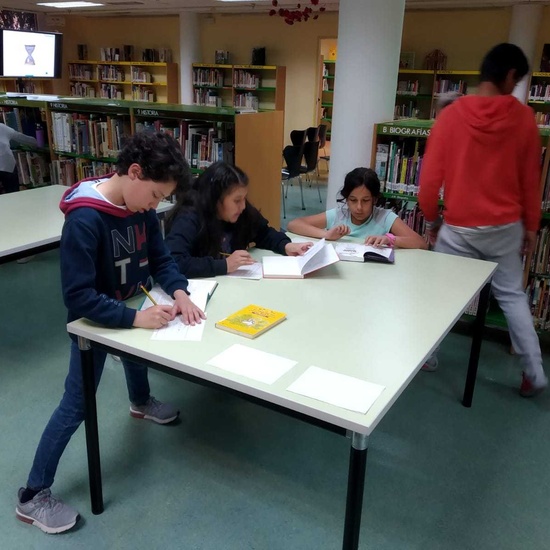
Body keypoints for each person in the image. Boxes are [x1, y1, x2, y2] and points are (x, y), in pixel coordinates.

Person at [16, 132, 206, 534]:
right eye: (155, 195)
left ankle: (140, 401)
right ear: (134, 173)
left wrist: (180, 292)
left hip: (129, 304)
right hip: (92, 323)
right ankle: (33, 495)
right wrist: (134, 319)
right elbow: (78, 296)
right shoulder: (85, 220)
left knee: (136, 353)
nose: (156, 205)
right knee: (77, 403)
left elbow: (161, 258)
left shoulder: (141, 209)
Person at [418, 43, 548, 397]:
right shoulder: (523, 119)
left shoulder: (451, 116)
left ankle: (427, 357)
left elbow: (429, 183)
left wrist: (431, 221)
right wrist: (532, 227)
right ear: (509, 76)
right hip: (505, 228)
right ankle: (534, 372)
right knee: (511, 297)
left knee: (440, 295)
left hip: (458, 227)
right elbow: (529, 182)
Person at [165, 161, 312, 278]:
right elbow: (174, 261)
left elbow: (263, 232)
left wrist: (285, 245)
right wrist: (225, 265)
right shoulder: (189, 217)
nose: (243, 206)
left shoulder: (241, 211)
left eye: (244, 198)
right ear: (216, 199)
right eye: (237, 200)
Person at [287, 166, 427, 249]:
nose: (358, 207)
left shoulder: (384, 217)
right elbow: (294, 225)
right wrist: (326, 235)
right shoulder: (339, 214)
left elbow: (421, 244)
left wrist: (390, 239)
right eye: (353, 200)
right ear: (346, 198)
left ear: (374, 199)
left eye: (365, 201)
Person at [0, 122, 38, 194]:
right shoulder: (2, 127)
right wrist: (36, 142)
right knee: (13, 194)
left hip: (7, 165)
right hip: (7, 165)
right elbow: (21, 138)